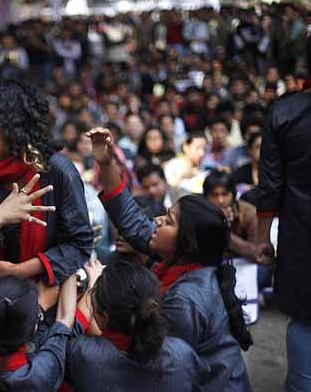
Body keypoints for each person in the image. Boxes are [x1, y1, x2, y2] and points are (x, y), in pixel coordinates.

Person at [86, 127, 252, 392]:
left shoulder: (183, 301)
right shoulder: (182, 258)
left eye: (169, 221)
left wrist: (93, 296)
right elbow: (131, 219)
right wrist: (105, 162)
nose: (158, 220)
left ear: (186, 241)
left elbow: (164, 368)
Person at [0, 79, 93, 286]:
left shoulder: (58, 171)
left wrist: (21, 271)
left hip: (47, 291)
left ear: (13, 126)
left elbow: (80, 245)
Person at [67, 260, 206, 392]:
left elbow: (63, 336)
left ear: (104, 316)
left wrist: (91, 287)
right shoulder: (182, 355)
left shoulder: (83, 355)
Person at [253, 90, 311, 392]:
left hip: (301, 236)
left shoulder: (284, 111)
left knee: (305, 320)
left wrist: (263, 241)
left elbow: (270, 185)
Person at [203, 171, 263, 324]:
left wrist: (226, 233)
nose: (220, 200)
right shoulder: (200, 214)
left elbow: (257, 253)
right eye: (214, 195)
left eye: (225, 194)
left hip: (245, 264)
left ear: (233, 193)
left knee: (264, 273)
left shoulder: (248, 212)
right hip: (214, 264)